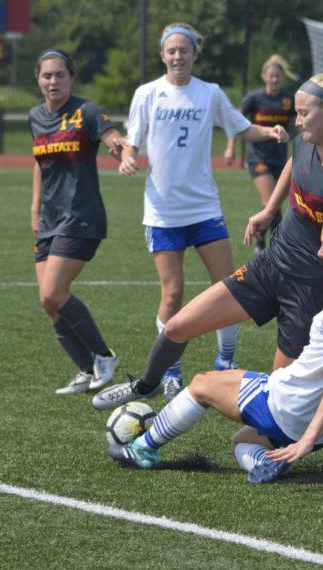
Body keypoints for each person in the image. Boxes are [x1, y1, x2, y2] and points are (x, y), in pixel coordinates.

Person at [95, 71, 323, 470]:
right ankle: (145, 384)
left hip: (312, 291)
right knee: (178, 326)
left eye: (303, 113)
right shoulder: (305, 142)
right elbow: (294, 164)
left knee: (281, 402)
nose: (296, 121)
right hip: (270, 267)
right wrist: (267, 210)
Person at [109, 206, 323, 483]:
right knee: (241, 442)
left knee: (201, 384)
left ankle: (141, 448)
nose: (320, 254)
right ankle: (297, 450)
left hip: (290, 410)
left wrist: (305, 442)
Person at [117, 23, 289, 394]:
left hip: (204, 208)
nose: (177, 56)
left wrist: (271, 131)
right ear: (162, 55)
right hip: (163, 212)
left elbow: (242, 128)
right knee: (173, 294)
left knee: (227, 287)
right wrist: (128, 159)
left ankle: (226, 358)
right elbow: (132, 142)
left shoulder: (209, 93)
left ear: (195, 54)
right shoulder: (147, 94)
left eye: (184, 50)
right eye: (171, 51)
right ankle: (172, 368)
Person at [30, 49, 126, 395]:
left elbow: (111, 135)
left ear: (71, 78)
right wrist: (34, 209)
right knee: (48, 301)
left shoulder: (86, 111)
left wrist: (120, 148)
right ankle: (86, 369)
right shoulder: (35, 117)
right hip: (49, 220)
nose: (53, 81)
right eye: (46, 75)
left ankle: (104, 356)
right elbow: (40, 165)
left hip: (82, 216)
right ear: (38, 79)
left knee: (54, 291)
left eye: (59, 75)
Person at [224, 54, 297, 253]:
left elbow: (300, 122)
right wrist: (230, 147)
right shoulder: (254, 98)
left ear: (282, 78)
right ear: (264, 76)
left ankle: (261, 242)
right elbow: (235, 121)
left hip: (280, 157)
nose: (274, 80)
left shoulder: (288, 100)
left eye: (278, 77)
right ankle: (277, 248)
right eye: (271, 76)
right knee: (270, 201)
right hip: (258, 156)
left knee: (272, 203)